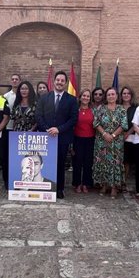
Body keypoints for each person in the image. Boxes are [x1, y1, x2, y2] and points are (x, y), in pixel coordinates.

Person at [35, 70, 78, 199]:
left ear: (65, 83)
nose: (59, 82)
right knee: (46, 162)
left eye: (62, 81)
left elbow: (73, 119)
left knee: (60, 164)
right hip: (46, 137)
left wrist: (58, 129)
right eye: (58, 80)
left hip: (62, 137)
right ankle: (46, 187)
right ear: (54, 81)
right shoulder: (44, 98)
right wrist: (48, 129)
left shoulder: (71, 99)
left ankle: (59, 188)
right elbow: (38, 116)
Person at [92, 87, 128, 198]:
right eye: (108, 95)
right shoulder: (101, 109)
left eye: (113, 94)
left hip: (116, 143)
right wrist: (104, 134)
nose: (111, 96)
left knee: (115, 163)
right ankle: (104, 185)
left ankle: (114, 187)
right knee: (103, 163)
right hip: (102, 142)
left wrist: (112, 135)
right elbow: (96, 123)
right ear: (106, 97)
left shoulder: (121, 109)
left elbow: (124, 125)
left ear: (117, 96)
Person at [72, 89, 95, 193]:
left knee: (88, 163)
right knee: (77, 162)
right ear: (80, 97)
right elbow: (71, 126)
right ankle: (77, 184)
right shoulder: (75, 110)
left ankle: (86, 184)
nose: (86, 98)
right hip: (77, 139)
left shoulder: (93, 111)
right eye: (84, 96)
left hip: (90, 139)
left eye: (88, 96)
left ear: (90, 99)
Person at [120, 86, 137, 191]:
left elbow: (136, 123)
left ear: (131, 95)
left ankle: (124, 182)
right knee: (118, 160)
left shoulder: (136, 108)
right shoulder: (117, 106)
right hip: (117, 137)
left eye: (128, 93)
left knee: (126, 161)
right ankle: (116, 181)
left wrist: (127, 133)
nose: (126, 95)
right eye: (124, 93)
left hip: (130, 137)